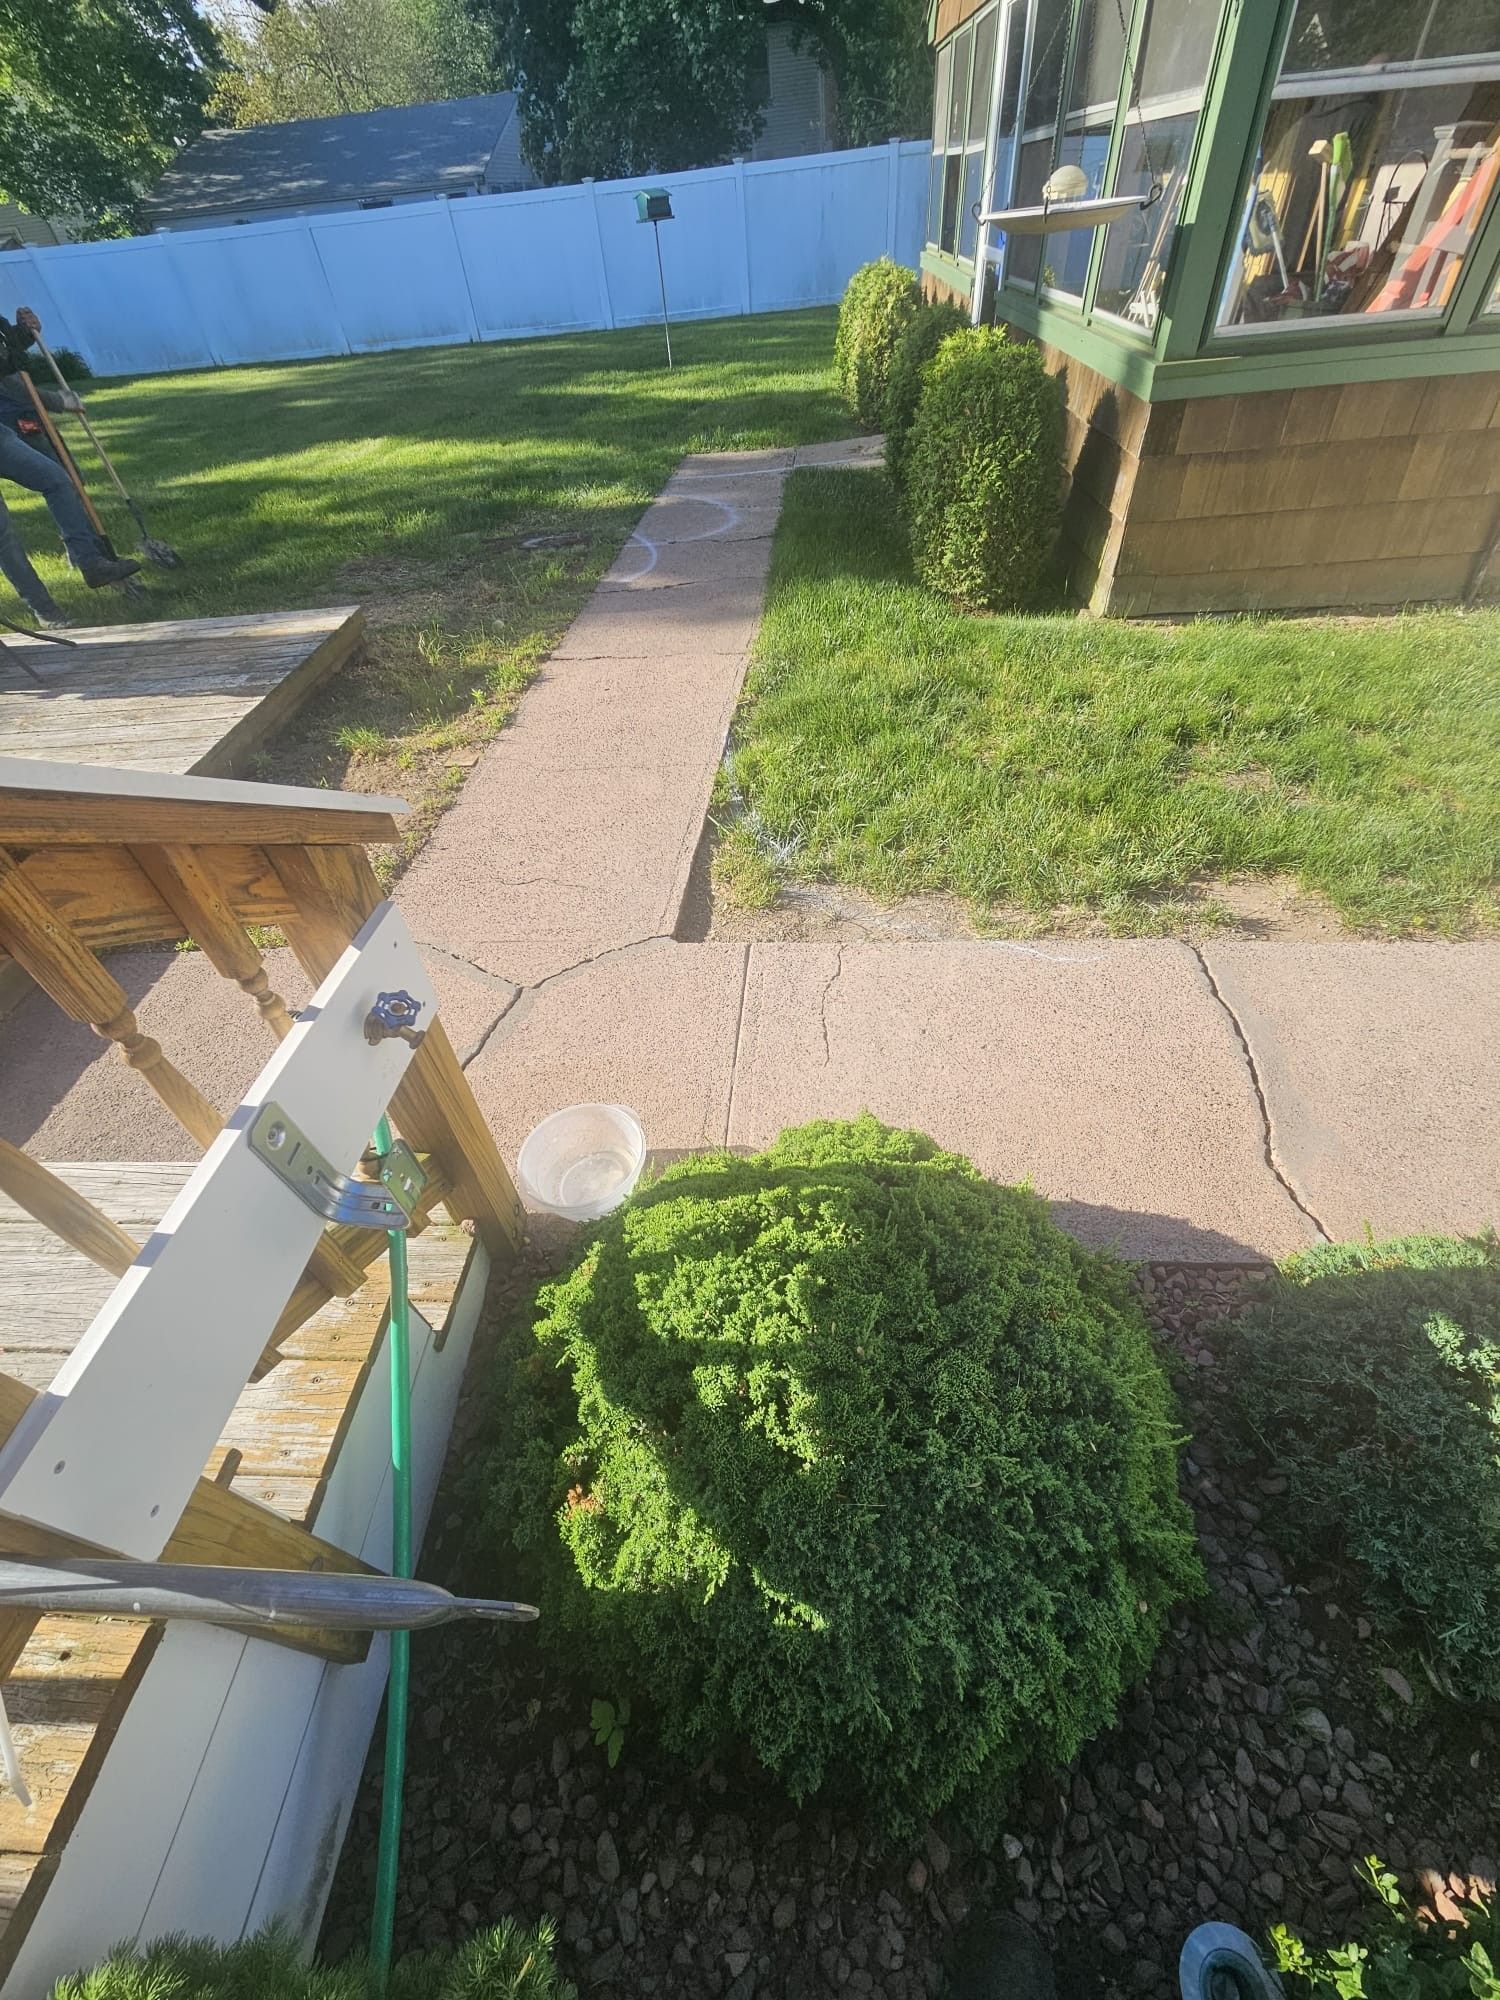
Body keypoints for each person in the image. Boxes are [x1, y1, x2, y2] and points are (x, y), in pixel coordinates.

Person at [0, 306, 140, 600]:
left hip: (23, 409)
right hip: (11, 416)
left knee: (70, 479)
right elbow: (7, 378)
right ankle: (89, 560)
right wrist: (57, 401)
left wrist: (25, 334)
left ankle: (86, 555)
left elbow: (9, 354)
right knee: (62, 481)